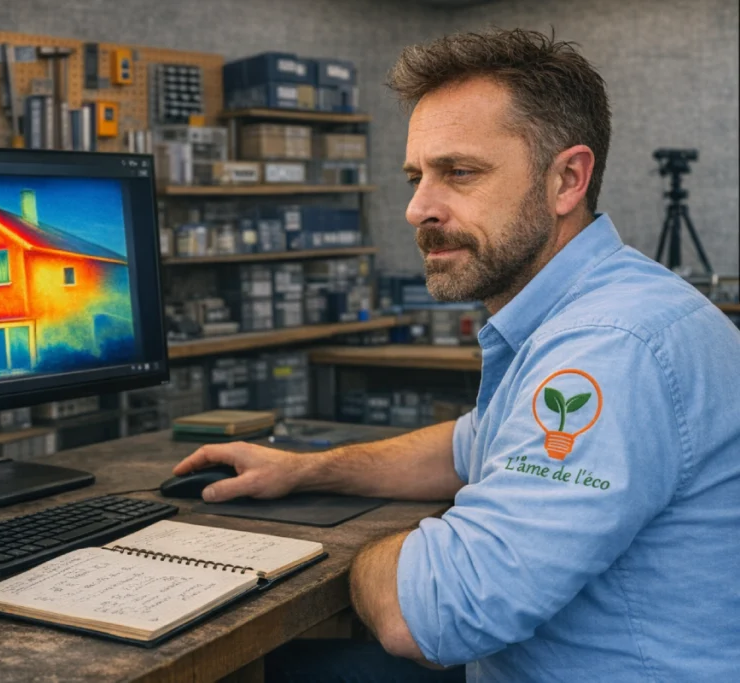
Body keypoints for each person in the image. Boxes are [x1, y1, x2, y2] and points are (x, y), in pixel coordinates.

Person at [173, 29, 740, 683]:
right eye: (417, 177)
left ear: (567, 180)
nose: (418, 208)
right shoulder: (581, 308)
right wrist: (303, 470)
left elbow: (430, 613)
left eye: (459, 173)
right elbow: (467, 447)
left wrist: (359, 557)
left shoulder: (611, 345)